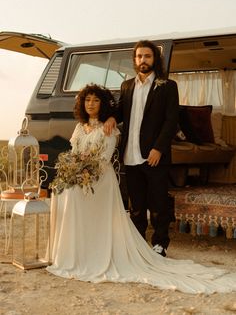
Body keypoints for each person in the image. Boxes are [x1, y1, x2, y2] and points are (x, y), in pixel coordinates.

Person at [47, 83, 236, 294]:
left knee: (75, 193)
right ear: (82, 103)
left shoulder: (110, 128)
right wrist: (73, 173)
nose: (90, 104)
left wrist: (83, 173)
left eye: (96, 100)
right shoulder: (79, 127)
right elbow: (74, 153)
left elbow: (102, 160)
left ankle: (96, 252)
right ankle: (74, 252)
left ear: (103, 104)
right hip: (82, 176)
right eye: (87, 100)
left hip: (99, 179)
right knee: (63, 191)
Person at [105, 40, 179, 257]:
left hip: (154, 156)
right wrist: (110, 116)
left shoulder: (167, 86)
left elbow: (171, 121)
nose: (142, 60)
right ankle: (137, 244)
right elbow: (120, 111)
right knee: (136, 206)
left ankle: (159, 244)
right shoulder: (127, 86)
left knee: (158, 204)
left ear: (154, 59)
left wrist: (159, 149)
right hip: (131, 155)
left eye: (147, 56)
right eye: (139, 56)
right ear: (134, 59)